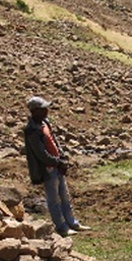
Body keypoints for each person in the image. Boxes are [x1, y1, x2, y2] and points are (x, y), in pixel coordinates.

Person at [23, 96, 86, 237]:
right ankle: (62, 227)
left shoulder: (45, 123)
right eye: (43, 109)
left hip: (56, 165)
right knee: (54, 199)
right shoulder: (31, 130)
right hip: (47, 168)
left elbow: (54, 141)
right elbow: (41, 153)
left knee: (64, 196)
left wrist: (62, 156)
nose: (47, 111)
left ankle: (72, 222)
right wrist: (57, 161)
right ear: (35, 111)